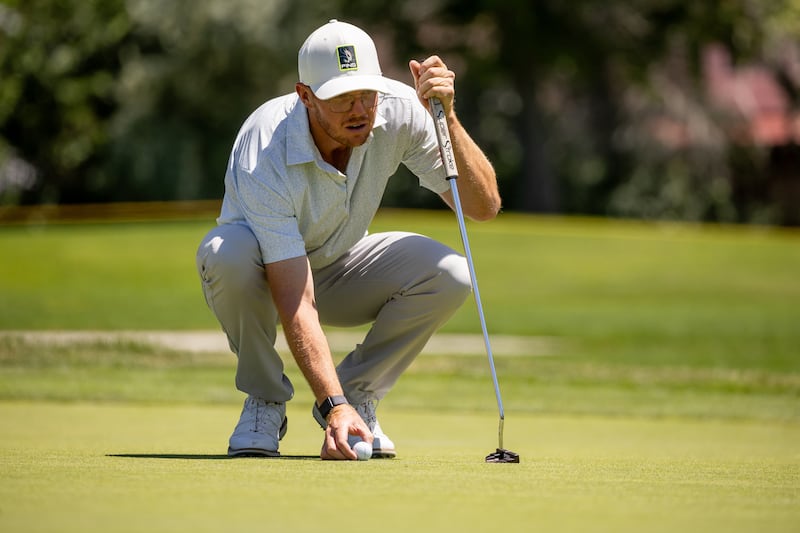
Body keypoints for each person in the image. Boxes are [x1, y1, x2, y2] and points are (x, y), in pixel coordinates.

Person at [196, 19, 501, 460]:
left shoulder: (399, 110)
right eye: (341, 98)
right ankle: (265, 400)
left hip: (338, 263)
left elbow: (483, 206)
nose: (359, 109)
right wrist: (329, 402)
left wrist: (446, 117)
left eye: (366, 93)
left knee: (451, 273)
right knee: (228, 253)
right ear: (305, 96)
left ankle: (358, 394)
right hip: (262, 272)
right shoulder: (264, 146)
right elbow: (295, 300)